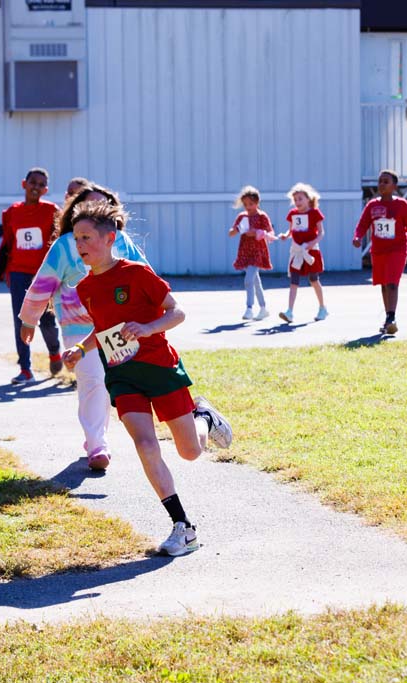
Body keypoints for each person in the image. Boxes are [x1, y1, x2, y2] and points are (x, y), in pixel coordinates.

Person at [63, 201, 232, 556]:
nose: (81, 244)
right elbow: (103, 327)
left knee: (189, 452)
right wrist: (81, 348)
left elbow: (177, 311)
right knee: (145, 445)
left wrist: (148, 327)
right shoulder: (84, 289)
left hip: (159, 367)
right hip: (123, 375)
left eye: (87, 237)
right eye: (76, 237)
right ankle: (183, 527)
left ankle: (204, 417)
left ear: (110, 238)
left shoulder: (137, 273)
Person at [19, 181, 149, 471]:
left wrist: (154, 309)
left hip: (117, 326)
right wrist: (29, 319)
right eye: (88, 206)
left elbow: (144, 276)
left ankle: (99, 436)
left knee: (111, 382)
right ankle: (96, 444)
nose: (95, 211)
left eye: (103, 207)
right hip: (78, 328)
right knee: (92, 381)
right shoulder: (65, 246)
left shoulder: (122, 242)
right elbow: (43, 283)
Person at [0, 167, 62, 384]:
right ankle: (25, 369)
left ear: (46, 189)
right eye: (33, 182)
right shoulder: (12, 213)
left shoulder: (52, 211)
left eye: (41, 184)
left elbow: (59, 239)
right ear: (24, 184)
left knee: (47, 320)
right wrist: (5, 271)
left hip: (44, 274)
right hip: (18, 273)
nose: (36, 187)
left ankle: (54, 352)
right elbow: (8, 243)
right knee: (21, 319)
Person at [352, 170, 407, 335]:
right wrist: (357, 237)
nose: (381, 184)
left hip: (397, 250)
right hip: (379, 251)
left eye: (386, 181)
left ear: (394, 186)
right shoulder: (372, 205)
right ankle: (388, 319)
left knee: (393, 282)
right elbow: (362, 224)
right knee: (384, 284)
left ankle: (391, 318)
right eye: (380, 181)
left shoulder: (401, 205)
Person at [278, 183, 328, 323]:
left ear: (308, 199)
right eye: (295, 200)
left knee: (314, 280)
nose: (298, 202)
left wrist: (312, 244)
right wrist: (285, 235)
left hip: (311, 251)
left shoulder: (314, 213)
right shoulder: (292, 214)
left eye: (300, 199)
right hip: (297, 251)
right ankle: (289, 312)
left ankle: (322, 307)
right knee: (294, 281)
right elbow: (291, 231)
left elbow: (321, 232)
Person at [228, 185, 274, 321]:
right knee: (255, 281)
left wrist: (257, 232)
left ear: (257, 202)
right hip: (245, 251)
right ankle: (263, 308)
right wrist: (237, 229)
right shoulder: (242, 217)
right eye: (246, 204)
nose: (248, 207)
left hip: (258, 252)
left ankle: (249, 308)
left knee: (248, 280)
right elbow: (231, 233)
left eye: (251, 204)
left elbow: (271, 234)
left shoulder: (261, 216)